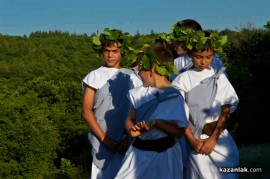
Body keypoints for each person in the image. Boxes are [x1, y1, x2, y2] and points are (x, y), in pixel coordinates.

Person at [172, 29, 239, 178]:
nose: (203, 61)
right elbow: (179, 114)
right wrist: (192, 141)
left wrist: (213, 139)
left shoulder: (219, 77)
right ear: (189, 53)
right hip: (194, 139)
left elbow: (225, 110)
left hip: (218, 137)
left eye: (208, 57)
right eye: (198, 57)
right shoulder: (182, 79)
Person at [115, 44, 188, 179]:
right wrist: (132, 130)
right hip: (139, 153)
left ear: (151, 69)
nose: (138, 74)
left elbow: (179, 131)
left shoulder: (174, 96)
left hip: (166, 155)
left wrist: (157, 123)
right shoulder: (138, 93)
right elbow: (129, 119)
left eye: (140, 70)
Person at [81, 28, 142, 179]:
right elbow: (86, 111)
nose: (110, 55)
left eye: (114, 51)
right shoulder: (95, 75)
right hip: (101, 137)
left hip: (126, 138)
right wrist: (105, 139)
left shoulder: (132, 77)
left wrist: (128, 140)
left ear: (122, 52)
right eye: (106, 50)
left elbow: (139, 108)